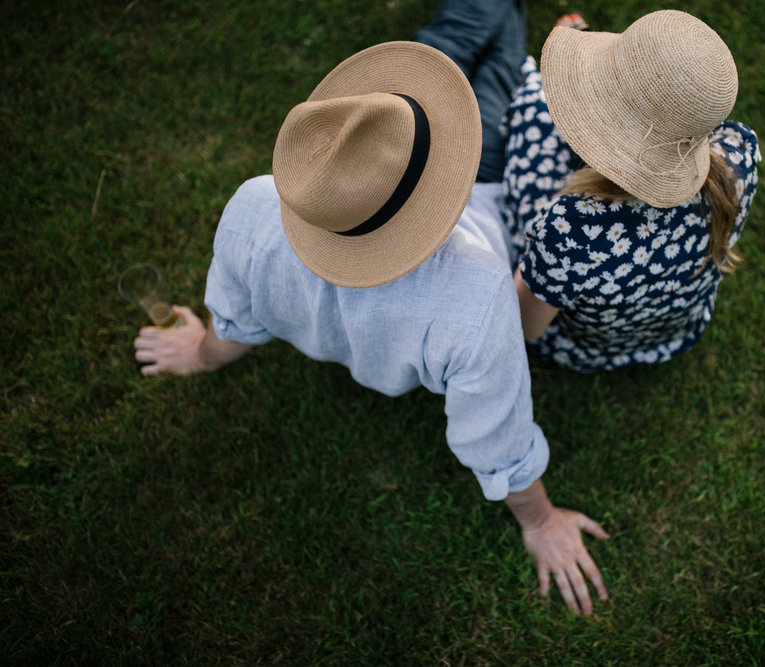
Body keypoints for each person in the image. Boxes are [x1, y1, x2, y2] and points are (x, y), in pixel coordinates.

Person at [132, 8, 610, 616]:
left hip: (388, 139)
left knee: (463, 38)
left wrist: (200, 356)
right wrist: (539, 521)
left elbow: (236, 320)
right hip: (487, 179)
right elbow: (495, 432)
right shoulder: (475, 294)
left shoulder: (253, 209)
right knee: (489, 63)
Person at [502, 10, 762, 372]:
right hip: (674, 336)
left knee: (536, 104)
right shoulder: (738, 160)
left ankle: (527, 73)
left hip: (581, 348)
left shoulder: (568, 228)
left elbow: (527, 327)